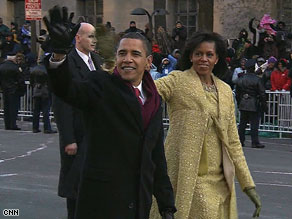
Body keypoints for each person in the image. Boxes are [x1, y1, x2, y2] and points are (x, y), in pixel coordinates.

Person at [43, 6, 175, 219]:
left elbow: (156, 155)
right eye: (122, 53)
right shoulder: (101, 85)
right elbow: (67, 90)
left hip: (138, 201)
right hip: (101, 201)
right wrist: (59, 53)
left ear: (148, 62)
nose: (127, 59)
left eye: (135, 54)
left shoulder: (153, 99)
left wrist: (167, 204)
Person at [150, 32, 262, 219]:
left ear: (217, 58)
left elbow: (233, 142)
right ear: (191, 56)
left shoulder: (226, 91)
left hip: (219, 179)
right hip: (186, 174)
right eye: (198, 54)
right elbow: (146, 92)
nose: (203, 59)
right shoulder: (177, 81)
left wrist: (248, 185)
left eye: (209, 55)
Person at [52, 22, 102, 219]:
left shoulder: (96, 60)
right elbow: (61, 104)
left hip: (96, 135)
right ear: (78, 38)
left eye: (95, 36)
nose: (94, 40)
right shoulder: (68, 62)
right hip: (77, 136)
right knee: (75, 190)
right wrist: (68, 139)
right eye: (90, 36)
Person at [236, 59, 268, 148]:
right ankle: (255, 142)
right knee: (254, 124)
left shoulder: (241, 78)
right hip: (253, 103)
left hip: (243, 102)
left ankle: (240, 140)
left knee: (242, 124)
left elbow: (237, 93)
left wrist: (239, 102)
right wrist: (264, 105)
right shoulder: (257, 79)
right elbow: (262, 93)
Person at [30, 60, 57, 134]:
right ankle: (47, 128)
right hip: (45, 91)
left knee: (36, 111)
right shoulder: (48, 70)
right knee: (46, 111)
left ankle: (35, 127)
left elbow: (31, 81)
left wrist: (34, 86)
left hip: (36, 90)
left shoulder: (34, 69)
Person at [0, 52, 24, 130]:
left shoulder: (1, 67)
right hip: (14, 90)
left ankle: (7, 124)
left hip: (4, 89)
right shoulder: (15, 68)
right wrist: (22, 90)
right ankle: (12, 124)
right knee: (13, 108)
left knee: (6, 108)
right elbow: (20, 80)